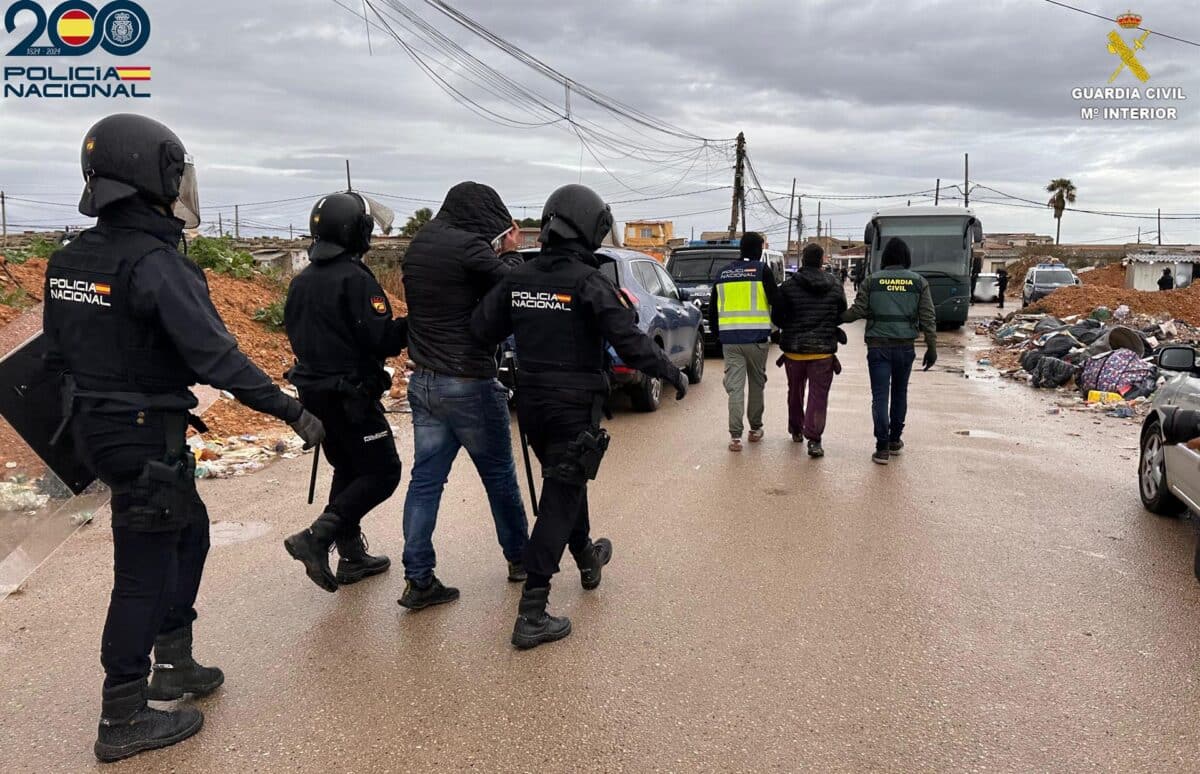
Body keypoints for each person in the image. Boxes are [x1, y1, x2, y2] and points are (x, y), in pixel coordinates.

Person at [42, 114, 325, 763]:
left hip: (99, 428)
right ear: (152, 175)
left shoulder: (69, 259)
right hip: (142, 434)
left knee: (189, 532)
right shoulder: (153, 262)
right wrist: (290, 410)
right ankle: (122, 715)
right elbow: (216, 356)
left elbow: (55, 355)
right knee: (141, 570)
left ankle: (174, 660)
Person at [472, 183, 688, 649]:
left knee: (566, 484)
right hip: (573, 408)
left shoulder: (519, 278)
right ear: (589, 227)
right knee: (561, 495)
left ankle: (587, 557)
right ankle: (532, 610)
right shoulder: (590, 282)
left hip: (531, 406)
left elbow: (481, 328)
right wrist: (672, 372)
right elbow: (630, 342)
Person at [398, 182, 530, 610]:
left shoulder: (420, 244)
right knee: (499, 478)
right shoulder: (469, 247)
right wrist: (509, 249)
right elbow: (514, 283)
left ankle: (418, 580)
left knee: (425, 482)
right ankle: (520, 561)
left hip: (423, 383)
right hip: (469, 383)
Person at [282, 192, 408, 592]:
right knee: (384, 471)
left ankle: (351, 554)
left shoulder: (302, 281)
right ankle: (317, 537)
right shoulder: (355, 279)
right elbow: (382, 340)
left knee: (350, 468)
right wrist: (416, 321)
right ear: (358, 232)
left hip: (314, 396)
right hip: (349, 397)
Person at [843, 237, 936, 465]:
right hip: (905, 347)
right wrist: (932, 347)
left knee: (880, 396)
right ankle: (895, 440)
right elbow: (928, 317)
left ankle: (881, 447)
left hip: (878, 348)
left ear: (884, 258)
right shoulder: (919, 282)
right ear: (907, 258)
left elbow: (857, 311)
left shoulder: (872, 281)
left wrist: (834, 317)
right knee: (900, 393)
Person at [772, 244, 847, 458]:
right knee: (818, 396)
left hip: (794, 351)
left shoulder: (787, 287)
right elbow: (841, 313)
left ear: (803, 260)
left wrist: (789, 326)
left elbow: (777, 317)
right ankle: (814, 440)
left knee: (795, 392)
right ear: (822, 260)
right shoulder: (834, 285)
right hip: (823, 352)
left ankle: (796, 429)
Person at [707, 232, 778, 451]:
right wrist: (777, 330)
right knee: (757, 384)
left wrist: (720, 335)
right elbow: (777, 301)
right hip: (756, 339)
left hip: (730, 340)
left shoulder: (723, 273)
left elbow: (712, 310)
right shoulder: (761, 270)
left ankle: (735, 437)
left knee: (735, 387)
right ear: (758, 249)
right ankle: (755, 429)